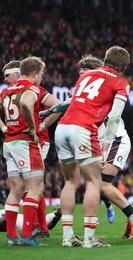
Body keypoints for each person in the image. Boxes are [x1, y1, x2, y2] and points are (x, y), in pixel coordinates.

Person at [41, 54, 133, 241]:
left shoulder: (108, 85)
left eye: (85, 72)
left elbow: (112, 117)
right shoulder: (88, 87)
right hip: (90, 139)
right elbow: (69, 104)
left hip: (114, 140)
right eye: (80, 73)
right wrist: (49, 111)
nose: (82, 76)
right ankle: (80, 221)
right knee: (88, 183)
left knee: (101, 184)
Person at [54, 46, 130, 248]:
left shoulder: (85, 76)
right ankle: (89, 238)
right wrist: (105, 146)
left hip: (62, 128)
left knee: (70, 181)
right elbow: (114, 117)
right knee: (93, 183)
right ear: (124, 67)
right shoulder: (121, 83)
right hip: (83, 130)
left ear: (105, 59)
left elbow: (71, 103)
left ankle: (67, 237)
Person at [2, 60, 62, 239]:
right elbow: (38, 105)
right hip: (27, 142)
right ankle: (33, 230)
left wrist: (5, 128)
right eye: (42, 74)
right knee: (34, 187)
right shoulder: (32, 89)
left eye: (7, 75)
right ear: (35, 73)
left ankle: (12, 236)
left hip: (10, 141)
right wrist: (37, 127)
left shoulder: (6, 91)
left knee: (16, 189)